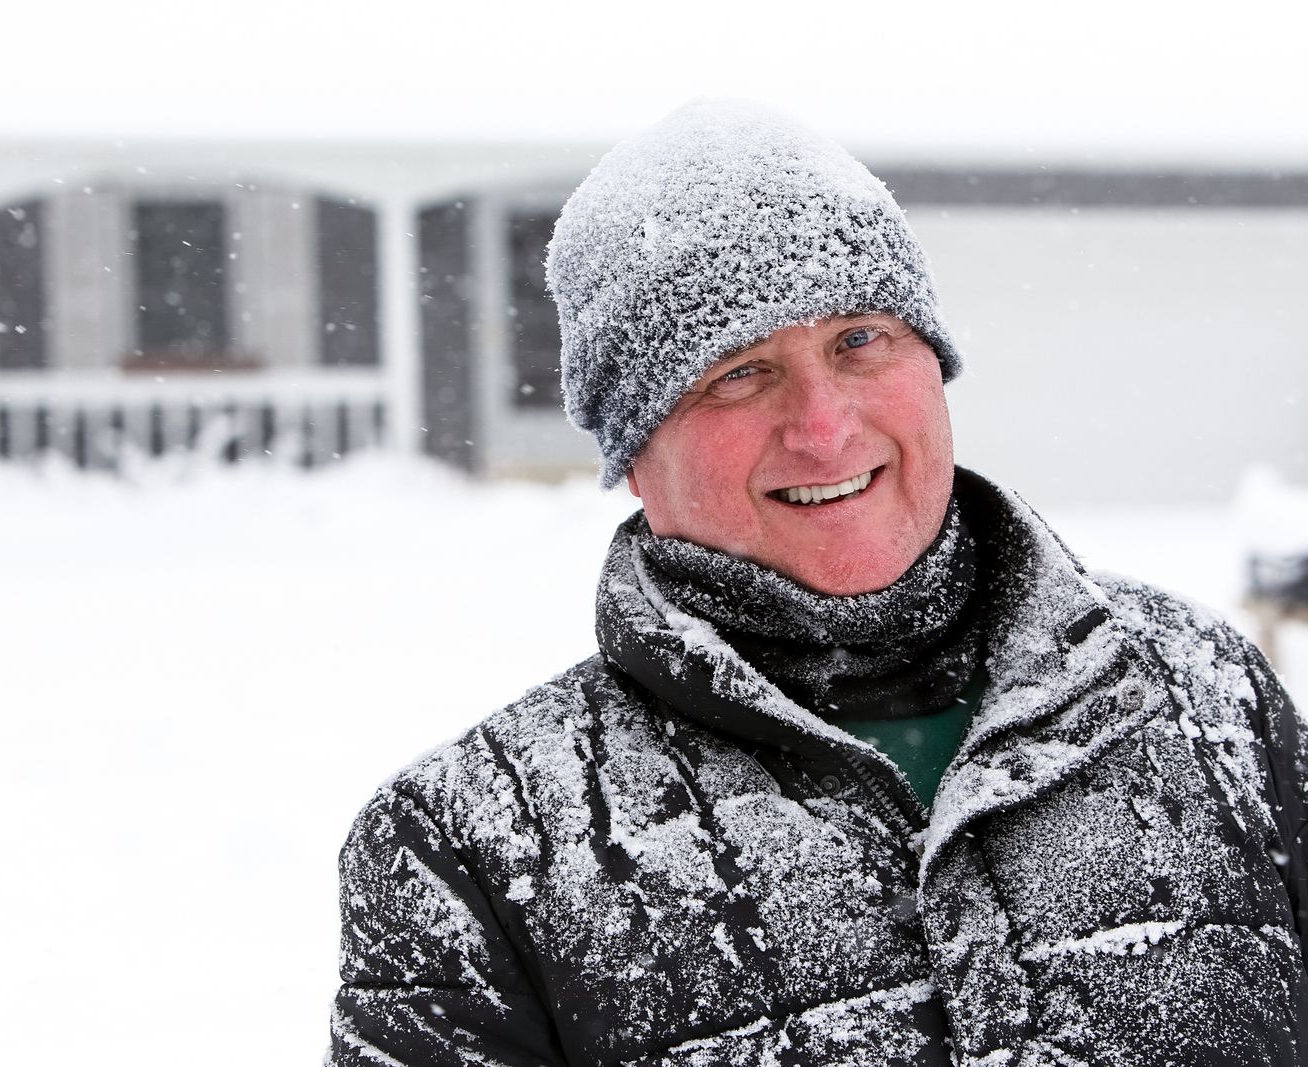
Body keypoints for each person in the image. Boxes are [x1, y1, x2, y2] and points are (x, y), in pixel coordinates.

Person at [326, 101, 1308, 1066]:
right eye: (738, 372)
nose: (825, 428)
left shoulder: (1204, 694)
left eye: (859, 340)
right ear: (633, 451)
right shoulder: (474, 847)